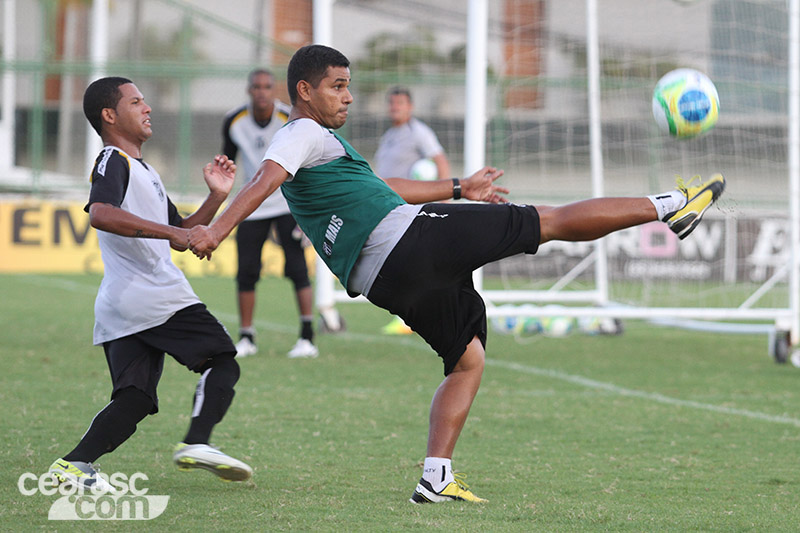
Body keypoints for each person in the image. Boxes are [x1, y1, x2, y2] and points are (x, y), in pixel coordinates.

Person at [186, 45, 725, 504]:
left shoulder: (324, 148)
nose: (348, 97)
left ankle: (435, 479)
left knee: (467, 360)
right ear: (304, 91)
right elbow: (265, 178)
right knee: (550, 221)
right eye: (338, 86)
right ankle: (672, 204)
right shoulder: (299, 132)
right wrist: (216, 231)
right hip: (413, 243)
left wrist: (460, 188)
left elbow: (387, 187)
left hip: (384, 279)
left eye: (349, 87)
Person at [48, 77, 252, 491]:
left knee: (135, 399)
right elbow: (101, 213)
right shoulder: (112, 160)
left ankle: (74, 466)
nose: (148, 108)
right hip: (154, 294)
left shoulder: (142, 169)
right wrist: (172, 235)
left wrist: (215, 198)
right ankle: (197, 443)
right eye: (136, 101)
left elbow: (180, 232)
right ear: (109, 115)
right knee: (222, 360)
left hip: (124, 304)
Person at [222, 68, 318, 359]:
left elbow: (305, 162)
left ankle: (307, 337)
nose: (262, 92)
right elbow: (228, 161)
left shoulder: (288, 118)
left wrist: (308, 210)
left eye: (267, 86)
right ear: (249, 90)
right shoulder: (234, 121)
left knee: (297, 269)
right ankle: (247, 337)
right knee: (247, 272)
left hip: (286, 203)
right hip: (253, 205)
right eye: (256, 87)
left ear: (274, 90)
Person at [374, 86, 452, 335]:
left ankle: (413, 317)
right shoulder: (388, 136)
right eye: (392, 103)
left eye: (400, 103)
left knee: (411, 261)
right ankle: (414, 314)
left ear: (410, 107)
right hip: (389, 208)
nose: (395, 107)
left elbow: (440, 161)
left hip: (411, 208)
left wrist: (445, 197)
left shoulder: (419, 132)